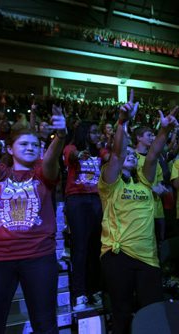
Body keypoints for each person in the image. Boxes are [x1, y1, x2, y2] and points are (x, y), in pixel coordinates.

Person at [0, 102, 67, 333]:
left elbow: (50, 161)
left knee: (46, 327)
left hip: (39, 258)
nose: (31, 147)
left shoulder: (43, 174)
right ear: (9, 148)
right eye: (24, 143)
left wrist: (59, 137)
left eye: (36, 145)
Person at [99, 90, 178, 334]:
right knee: (121, 314)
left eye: (134, 154)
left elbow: (153, 154)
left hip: (148, 257)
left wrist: (163, 131)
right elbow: (117, 153)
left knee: (153, 312)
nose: (131, 155)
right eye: (128, 154)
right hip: (117, 255)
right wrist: (122, 122)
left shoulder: (145, 181)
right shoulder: (110, 183)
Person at [63, 121, 103, 310]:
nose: (97, 135)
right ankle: (79, 293)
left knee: (96, 248)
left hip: (95, 199)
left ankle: (94, 289)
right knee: (80, 248)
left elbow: (112, 156)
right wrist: (78, 155)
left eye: (98, 132)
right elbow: (70, 155)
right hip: (77, 200)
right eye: (94, 132)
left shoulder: (99, 151)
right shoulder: (72, 147)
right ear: (84, 133)